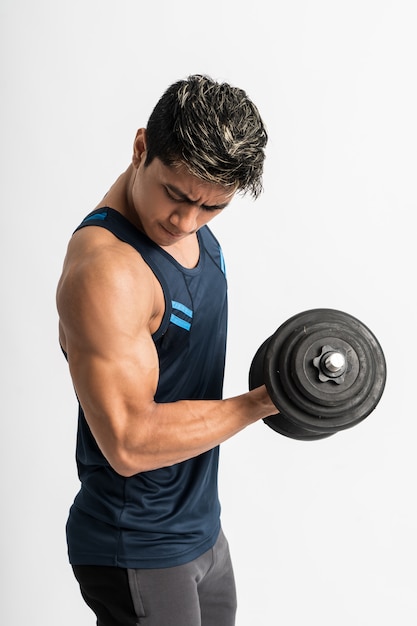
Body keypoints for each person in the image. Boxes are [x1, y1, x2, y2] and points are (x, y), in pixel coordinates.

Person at [56, 74, 277, 626]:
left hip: (199, 526)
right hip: (137, 546)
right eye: (175, 195)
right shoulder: (107, 273)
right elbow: (128, 443)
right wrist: (259, 404)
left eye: (211, 209)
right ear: (140, 149)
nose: (185, 222)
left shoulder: (186, 222)